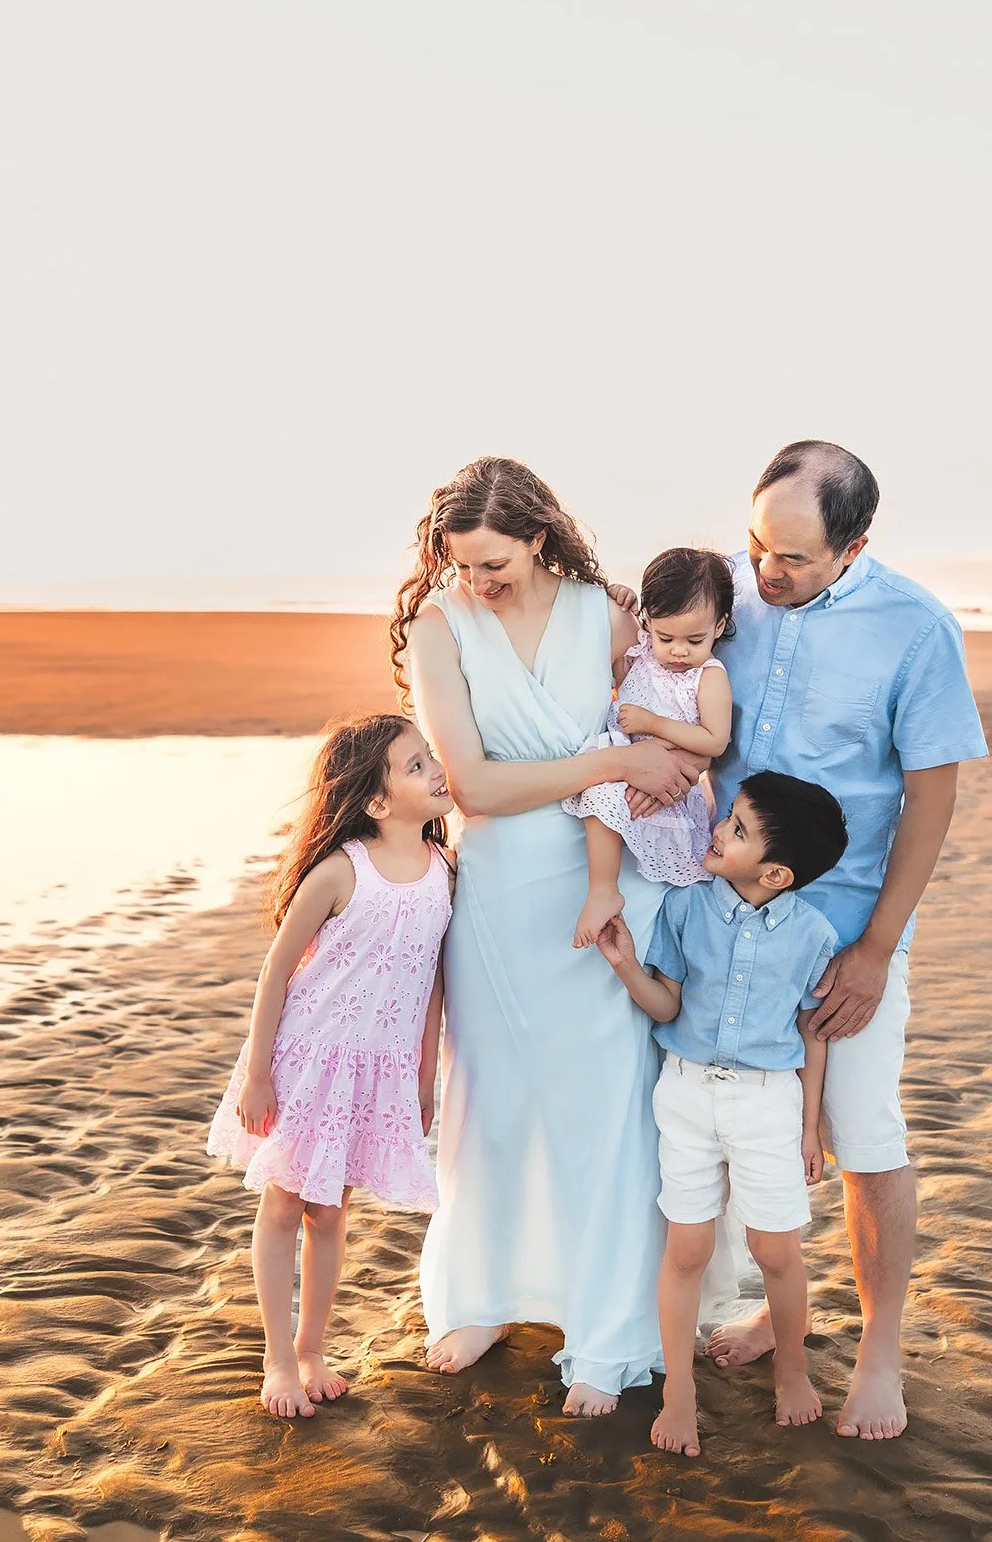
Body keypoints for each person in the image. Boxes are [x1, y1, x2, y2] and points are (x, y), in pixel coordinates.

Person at [396, 457, 704, 1416]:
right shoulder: (438, 626)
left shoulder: (610, 618)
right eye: (461, 563)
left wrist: (633, 769)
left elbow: (673, 738)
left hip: (602, 880)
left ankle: (606, 1324)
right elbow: (474, 785)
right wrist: (609, 757)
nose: (476, 581)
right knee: (489, 1094)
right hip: (496, 890)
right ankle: (481, 1296)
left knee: (606, 1104)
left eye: (492, 563)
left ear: (537, 538)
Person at [700, 441, 988, 1441]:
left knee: (860, 1132)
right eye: (756, 545)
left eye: (793, 558)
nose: (764, 574)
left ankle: (878, 1352)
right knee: (744, 1119)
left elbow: (932, 793)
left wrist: (874, 948)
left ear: (855, 543)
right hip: (723, 914)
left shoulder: (916, 628)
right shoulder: (726, 591)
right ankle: (778, 1306)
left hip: (843, 922)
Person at [205, 713, 456, 1418]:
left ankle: (313, 1347)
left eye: (429, 756)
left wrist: (423, 1068)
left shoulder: (444, 869)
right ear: (376, 802)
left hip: (377, 1068)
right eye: (415, 765)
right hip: (308, 1058)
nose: (436, 768)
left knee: (333, 1208)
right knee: (286, 1199)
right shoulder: (342, 868)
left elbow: (434, 976)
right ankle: (278, 1358)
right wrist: (258, 1071)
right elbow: (277, 970)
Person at [595, 773, 850, 1457]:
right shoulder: (686, 910)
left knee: (775, 1248)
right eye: (729, 817)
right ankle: (680, 1389)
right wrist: (625, 967)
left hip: (769, 1101)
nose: (718, 829)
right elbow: (669, 1006)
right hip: (683, 1094)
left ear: (776, 871)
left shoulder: (814, 935)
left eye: (736, 828)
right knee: (688, 1248)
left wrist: (809, 1126)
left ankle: (790, 1368)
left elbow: (813, 1033)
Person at [565, 547, 736, 947]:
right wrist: (617, 599)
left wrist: (653, 724)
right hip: (626, 762)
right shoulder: (643, 652)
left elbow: (716, 739)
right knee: (601, 788)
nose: (678, 651)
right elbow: (618, 671)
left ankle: (605, 893)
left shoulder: (708, 677)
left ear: (719, 625)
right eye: (665, 637)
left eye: (695, 639)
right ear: (648, 622)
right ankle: (602, 886)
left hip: (668, 788)